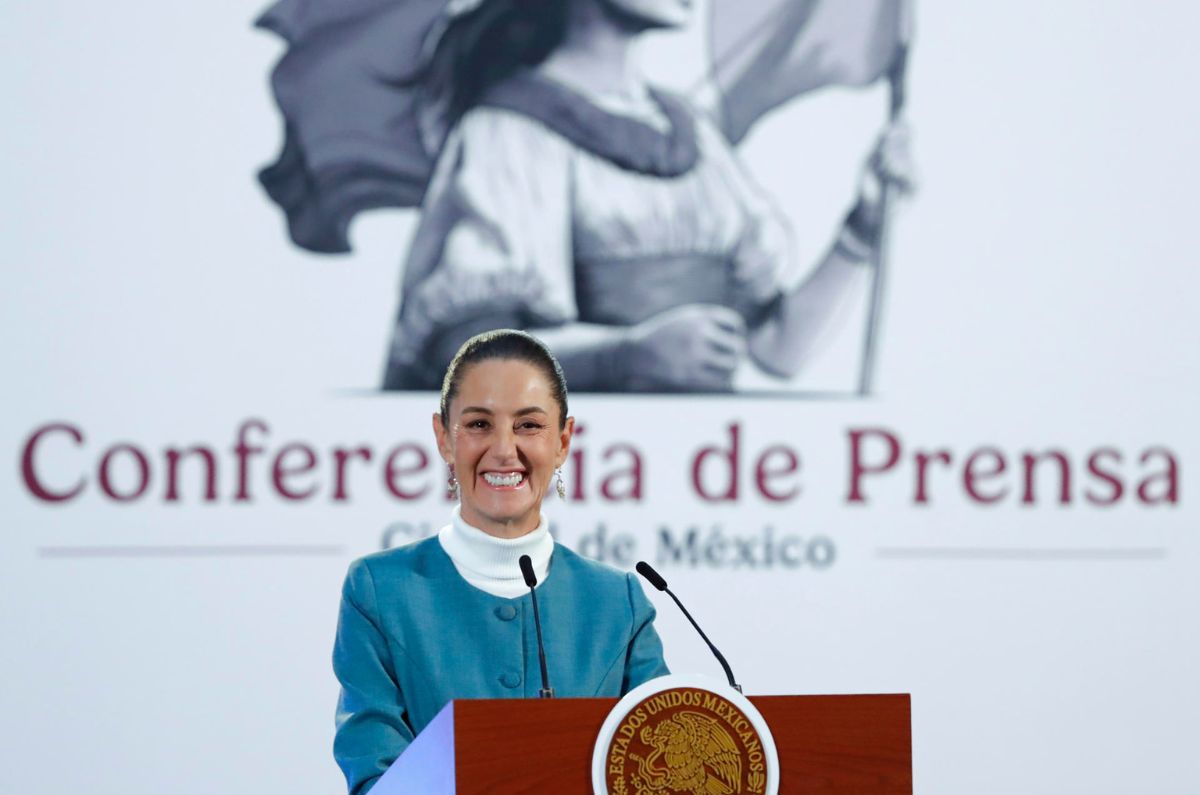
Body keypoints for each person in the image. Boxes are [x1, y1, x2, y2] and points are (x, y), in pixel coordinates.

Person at [378, 0, 915, 392]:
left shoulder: (694, 134)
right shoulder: (507, 132)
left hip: (705, 477)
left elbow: (778, 350)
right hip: (579, 484)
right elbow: (465, 364)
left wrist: (862, 228)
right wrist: (624, 356)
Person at [332, 329, 669, 794]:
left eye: (529, 425)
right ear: (443, 438)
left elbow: (662, 764)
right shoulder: (379, 590)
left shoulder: (618, 602)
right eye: (478, 425)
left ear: (563, 441)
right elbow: (375, 776)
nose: (504, 449)